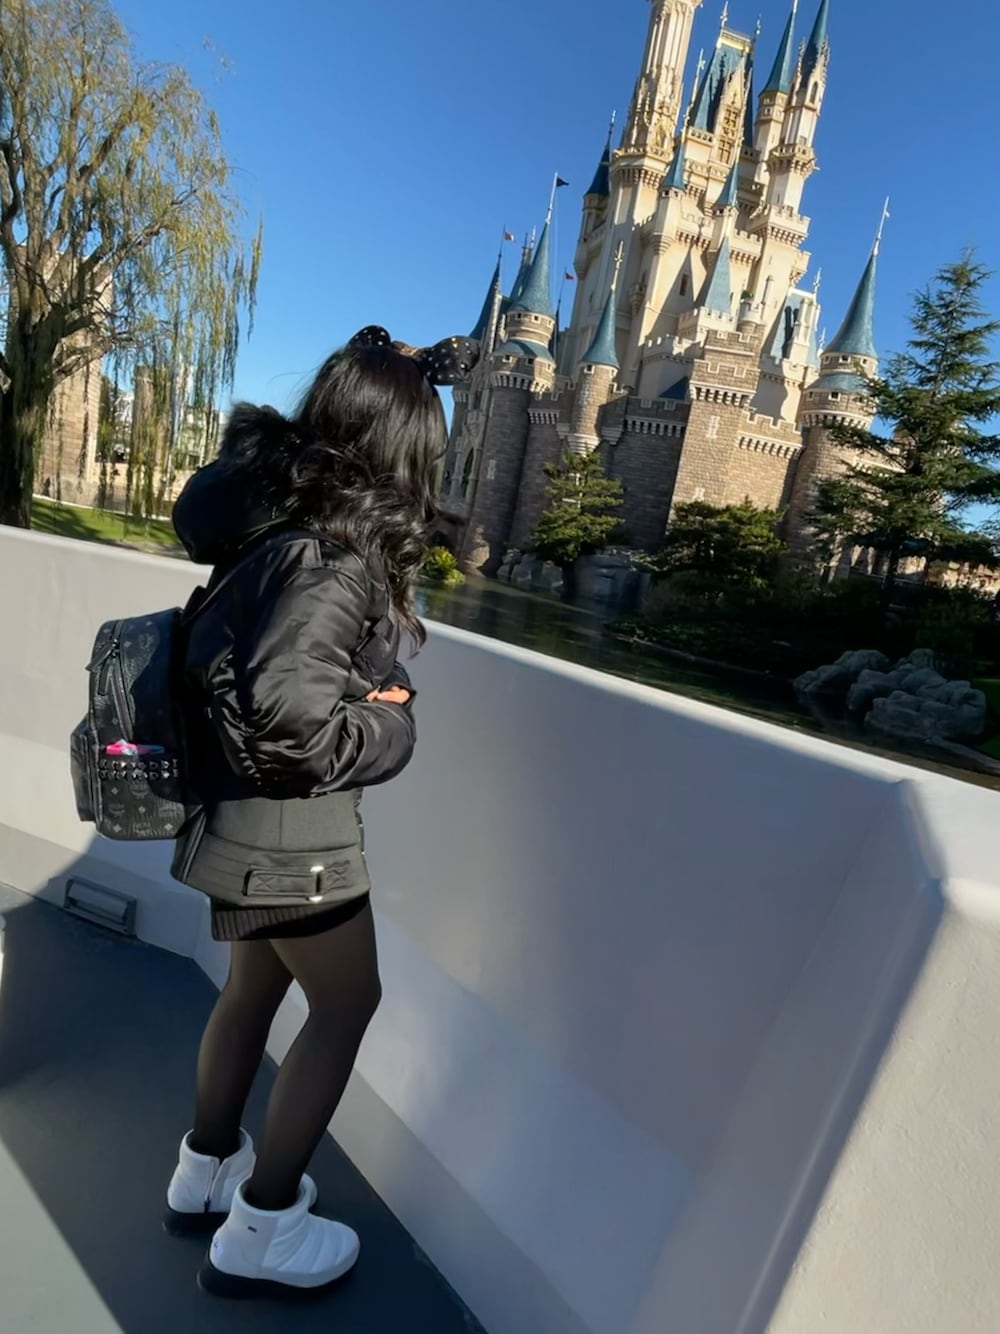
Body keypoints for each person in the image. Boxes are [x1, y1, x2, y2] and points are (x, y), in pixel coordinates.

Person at [161, 326, 478, 1299]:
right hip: (294, 835)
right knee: (346, 1002)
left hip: (242, 825)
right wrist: (392, 723)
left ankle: (204, 1174)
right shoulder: (330, 558)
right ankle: (261, 1227)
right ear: (400, 448)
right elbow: (292, 725)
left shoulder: (273, 532)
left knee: (252, 991)